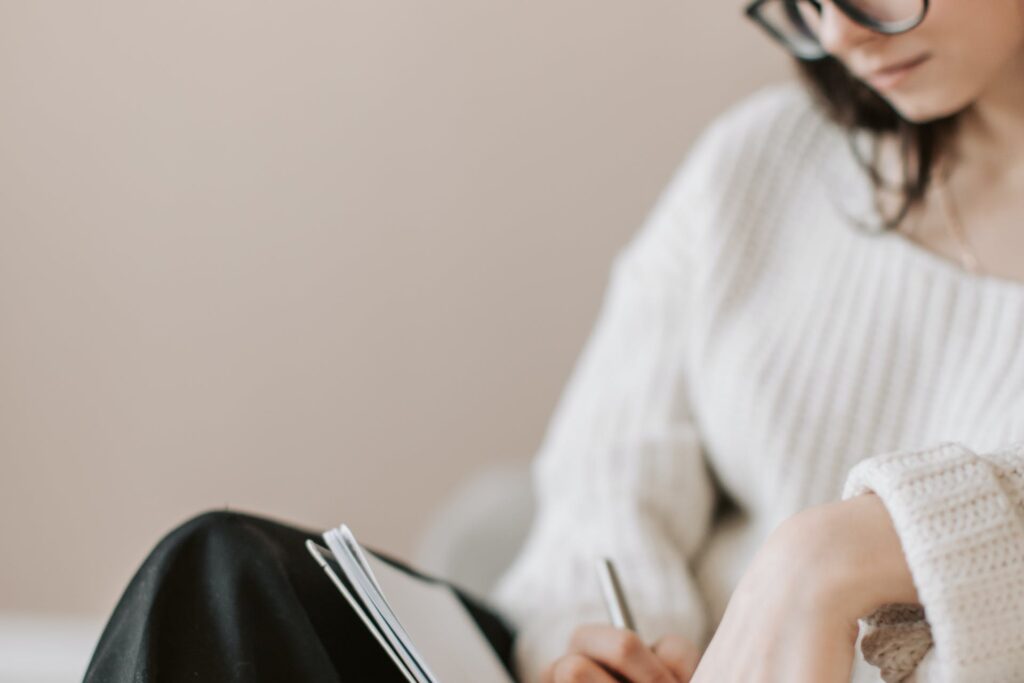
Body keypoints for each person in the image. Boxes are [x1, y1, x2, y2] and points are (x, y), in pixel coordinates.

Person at [85, 0, 1024, 681]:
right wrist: (597, 650)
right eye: (801, 0)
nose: (839, 33)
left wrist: (838, 555)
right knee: (221, 577)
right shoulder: (765, 163)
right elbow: (603, 480)